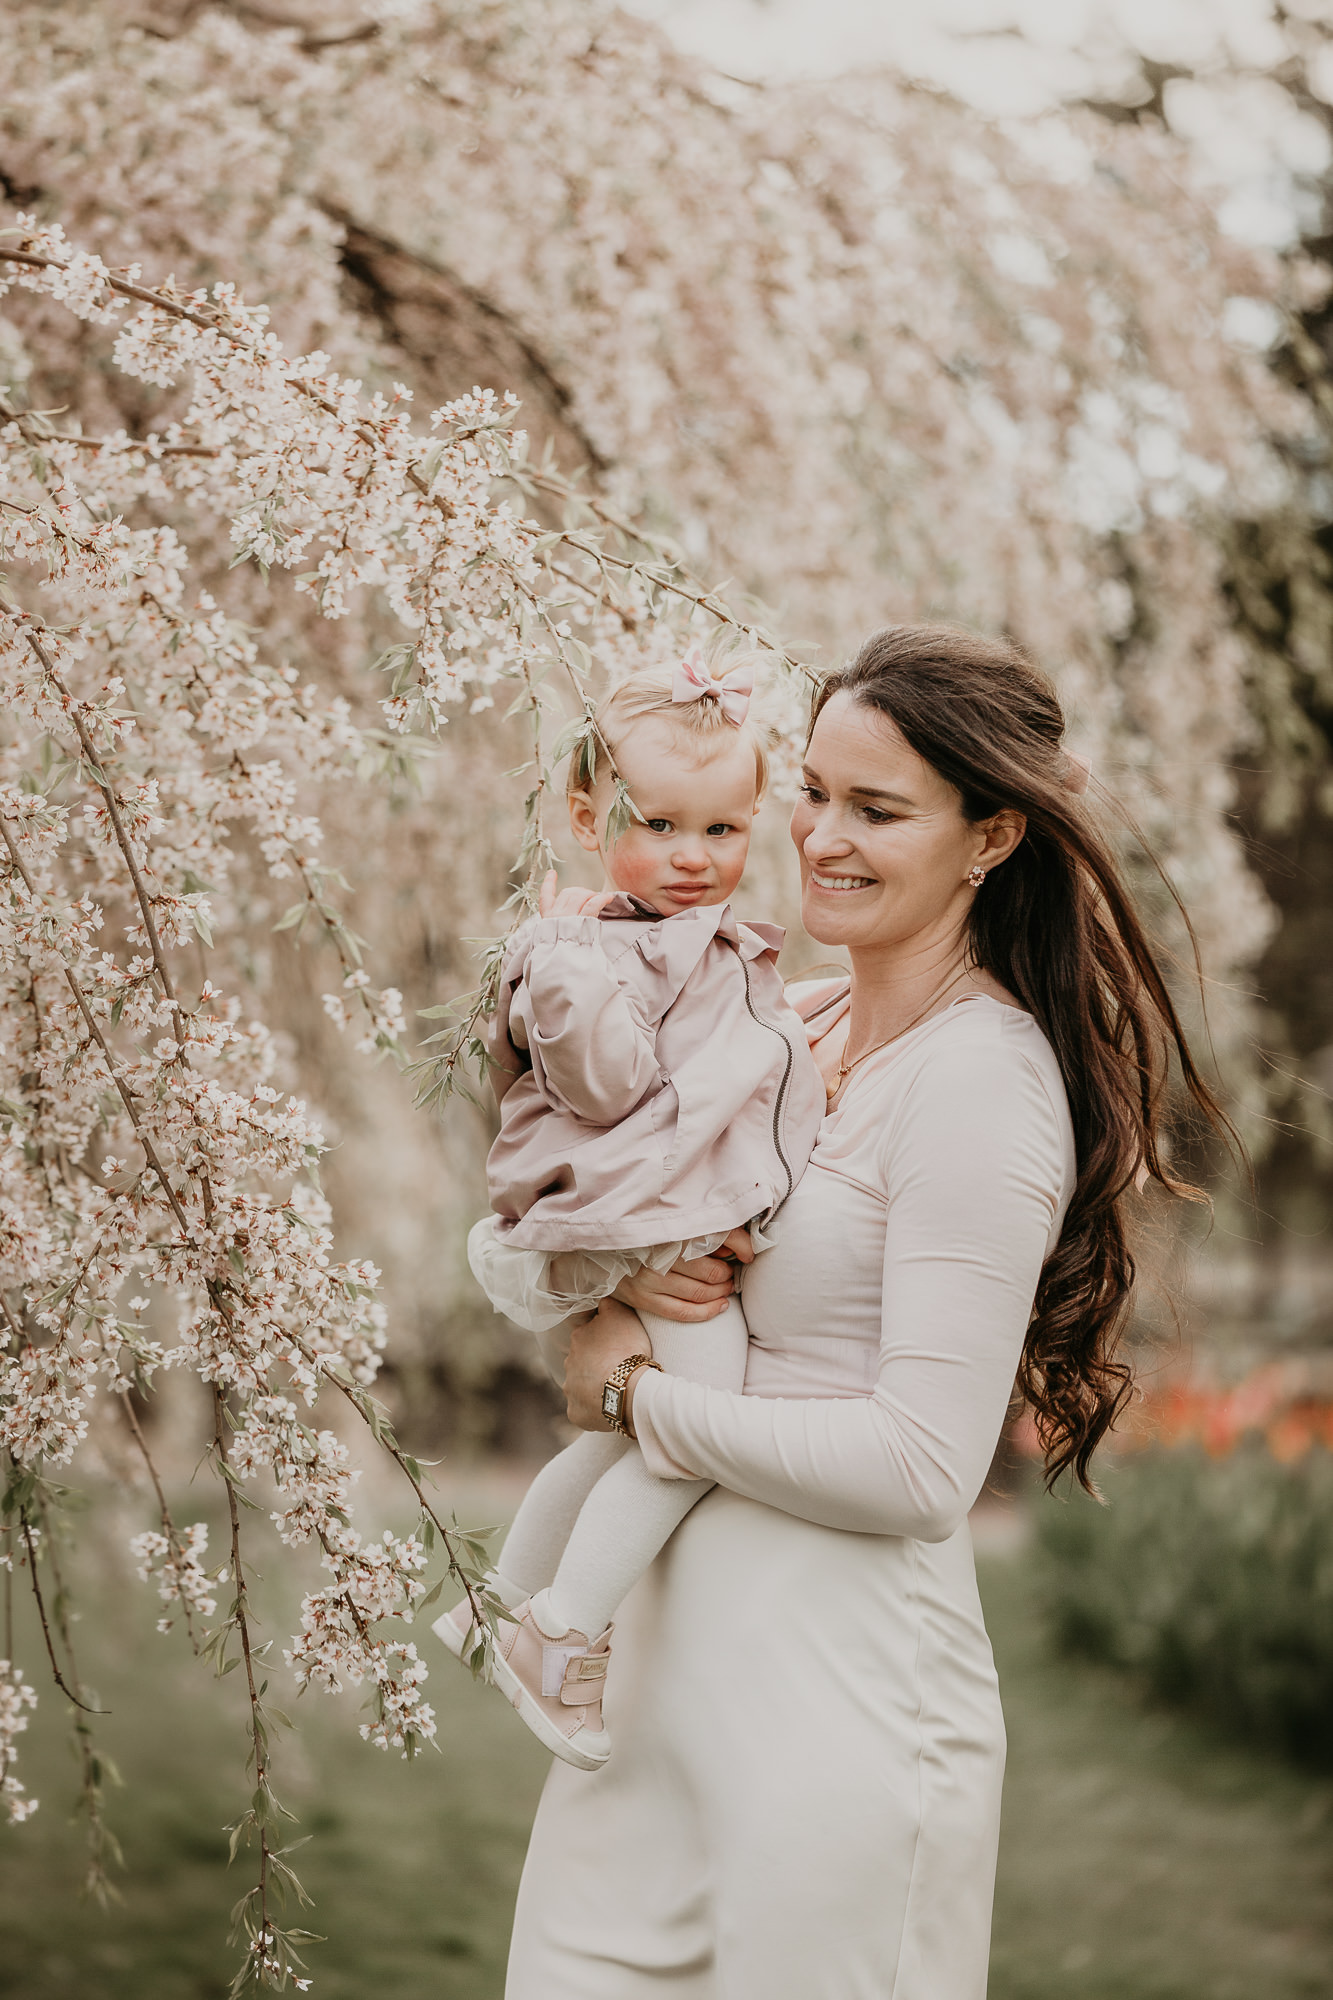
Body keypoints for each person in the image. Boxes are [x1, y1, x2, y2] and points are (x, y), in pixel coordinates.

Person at [486, 623, 1231, 1999]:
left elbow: (920, 1470)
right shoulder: (787, 1020)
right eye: (814, 791)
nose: (820, 836)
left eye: (877, 810)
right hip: (650, 1702)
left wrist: (636, 1397)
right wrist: (605, 1305)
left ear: (990, 838)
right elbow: (600, 1217)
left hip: (833, 1718)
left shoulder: (982, 1085)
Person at [437, 647, 825, 1770]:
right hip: (654, 1222)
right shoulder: (594, 950)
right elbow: (605, 1086)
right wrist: (557, 963)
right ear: (584, 812)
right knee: (693, 1440)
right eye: (657, 824)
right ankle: (558, 1632)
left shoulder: (682, 941)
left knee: (626, 1437)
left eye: (722, 829)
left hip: (676, 1212)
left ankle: (497, 1596)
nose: (693, 858)